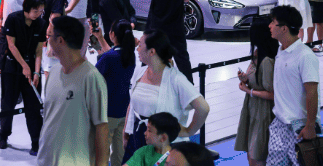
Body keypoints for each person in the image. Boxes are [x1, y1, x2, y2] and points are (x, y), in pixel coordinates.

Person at [123, 31, 210, 161]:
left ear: (152, 52)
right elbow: (132, 105)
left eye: (140, 45)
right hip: (138, 136)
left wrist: (189, 131)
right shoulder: (140, 72)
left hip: (163, 144)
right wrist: (126, 133)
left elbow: (203, 107)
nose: (137, 49)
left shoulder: (176, 79)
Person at [38, 15, 108, 165]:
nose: (47, 41)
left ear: (60, 40)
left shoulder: (91, 78)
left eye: (49, 36)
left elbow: (102, 129)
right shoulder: (53, 72)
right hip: (46, 160)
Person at [266, 5, 319, 166]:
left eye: (273, 22)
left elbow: (312, 92)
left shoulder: (305, 56)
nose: (269, 26)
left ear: (284, 28)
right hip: (280, 124)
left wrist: (310, 125)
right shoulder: (281, 51)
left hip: (300, 126)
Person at [0, 0, 45, 155]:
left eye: (41, 11)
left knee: (33, 107)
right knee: (8, 103)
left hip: (31, 68)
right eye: (36, 11)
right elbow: (11, 45)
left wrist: (36, 72)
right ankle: (3, 135)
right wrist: (24, 66)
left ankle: (36, 142)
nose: (38, 14)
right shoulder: (13, 19)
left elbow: (39, 51)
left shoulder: (40, 23)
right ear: (27, 8)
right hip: (12, 68)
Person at [234, 19, 278, 166]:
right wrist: (245, 79)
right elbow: (253, 78)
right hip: (252, 109)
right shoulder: (257, 54)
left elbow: (272, 94)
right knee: (251, 154)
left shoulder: (267, 61)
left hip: (262, 112)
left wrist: (249, 91)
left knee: (257, 155)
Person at [92, 20, 136, 166]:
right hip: (123, 110)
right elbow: (112, 54)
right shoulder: (130, 56)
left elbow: (92, 78)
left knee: (101, 155)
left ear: (112, 34)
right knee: (119, 154)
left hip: (106, 112)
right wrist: (100, 38)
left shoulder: (109, 58)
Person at [147, 0, 193, 81]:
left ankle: (155, 85)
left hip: (158, 27)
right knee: (182, 59)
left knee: (157, 58)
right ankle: (189, 86)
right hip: (176, 26)